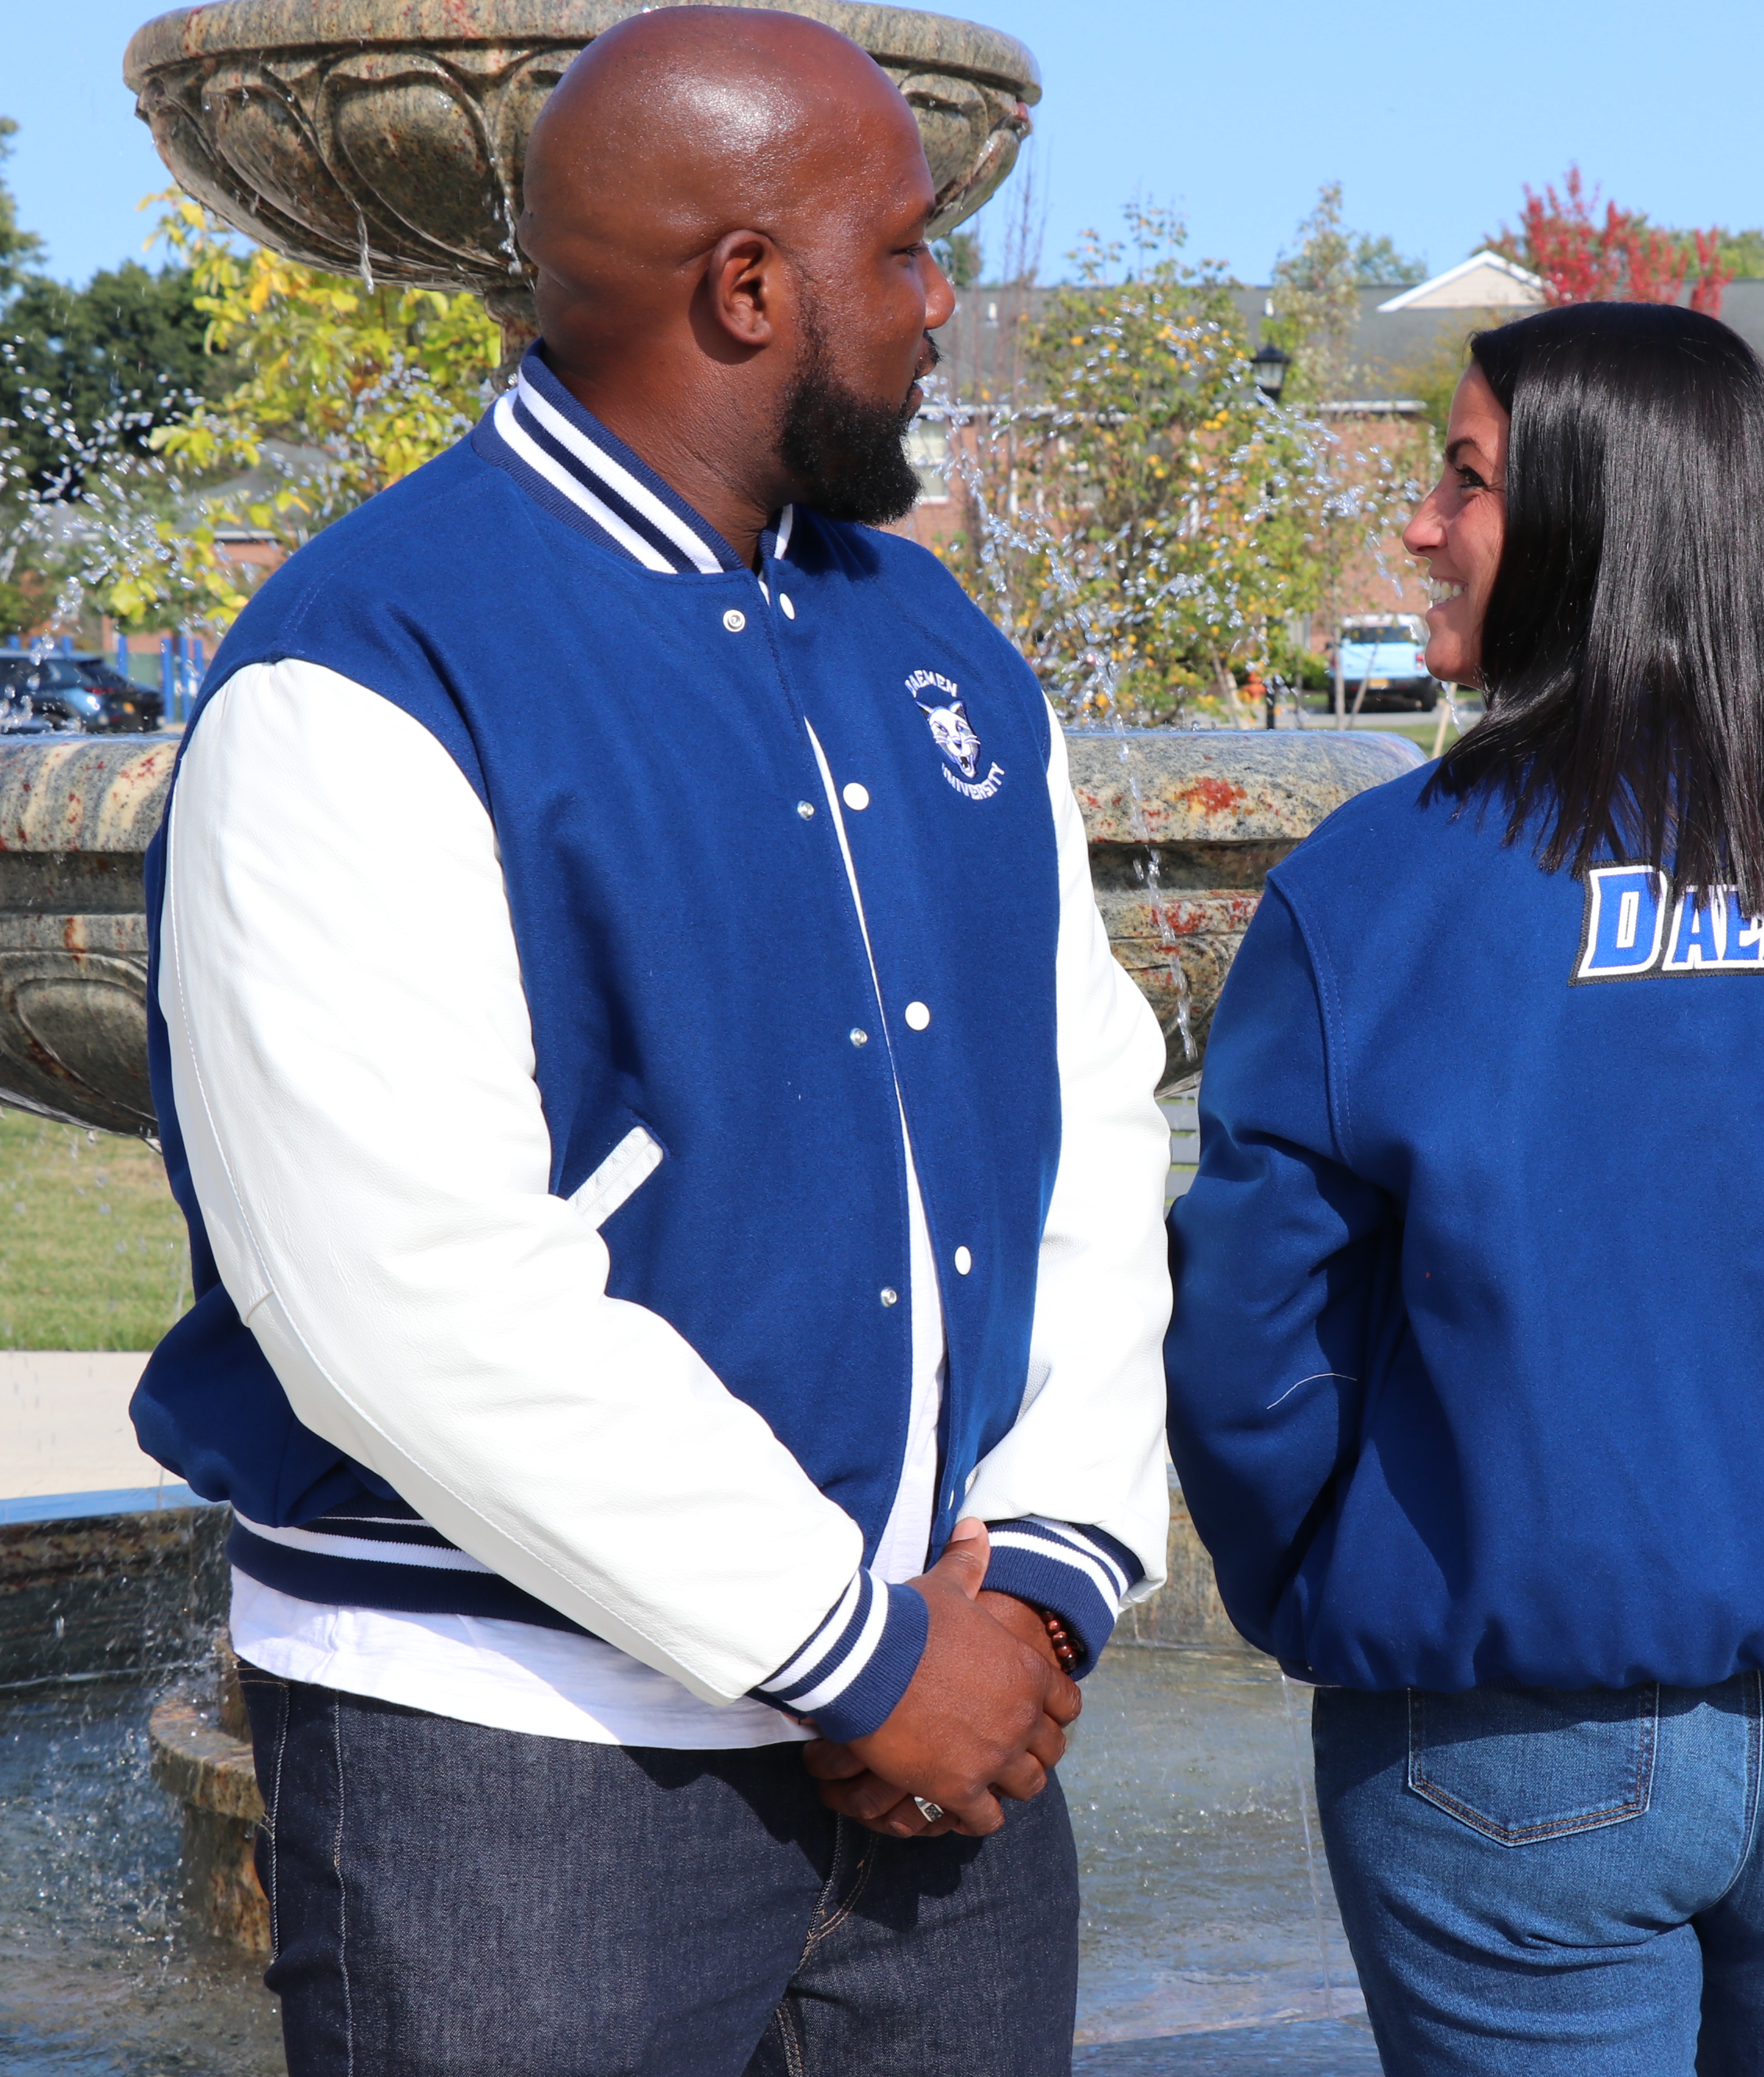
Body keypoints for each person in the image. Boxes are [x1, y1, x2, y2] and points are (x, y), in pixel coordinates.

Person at [131, 13, 1170, 2073]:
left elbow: (1089, 1125)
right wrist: (863, 1657)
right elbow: (399, 1287)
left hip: (955, 1755)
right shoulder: (371, 664)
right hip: (518, 1765)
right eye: (906, 251)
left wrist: (1043, 1582)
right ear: (750, 288)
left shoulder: (940, 649)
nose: (943, 302)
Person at [1163, 302, 1764, 2075]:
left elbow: (1251, 1340)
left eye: (1466, 479)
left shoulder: (1387, 889)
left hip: (1512, 1743)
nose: (1421, 529)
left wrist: (1336, 1590)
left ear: (1610, 524)